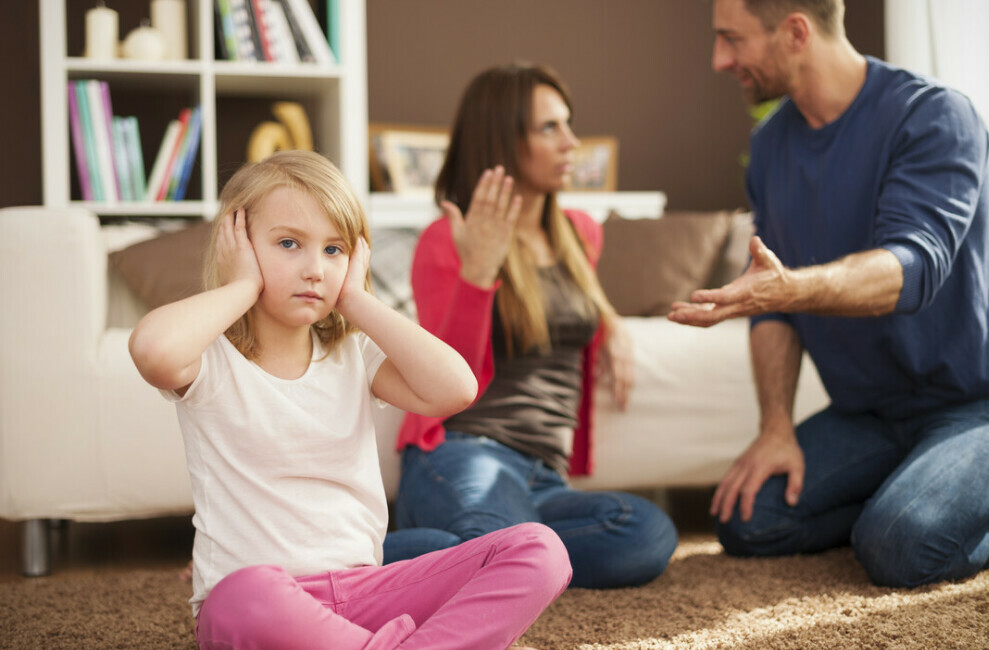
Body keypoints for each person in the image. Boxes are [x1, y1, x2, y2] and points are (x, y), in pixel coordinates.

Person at [129, 150, 571, 649]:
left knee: (541, 548)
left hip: (365, 591)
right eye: (289, 243)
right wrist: (243, 285)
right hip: (263, 602)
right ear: (239, 244)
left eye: (334, 250)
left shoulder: (354, 353)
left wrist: (358, 299)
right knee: (242, 594)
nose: (315, 269)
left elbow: (457, 389)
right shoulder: (211, 359)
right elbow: (152, 350)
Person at [669, 0, 989, 588]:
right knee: (747, 521)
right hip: (867, 415)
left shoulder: (934, 115)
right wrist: (775, 428)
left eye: (732, 40)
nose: (720, 60)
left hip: (972, 406)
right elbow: (771, 305)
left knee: (900, 548)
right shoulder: (769, 146)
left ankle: (915, 507)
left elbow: (911, 269)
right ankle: (914, 494)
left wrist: (790, 288)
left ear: (795, 32)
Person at [385, 63, 678, 589]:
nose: (571, 142)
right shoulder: (445, 241)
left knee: (646, 534)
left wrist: (612, 321)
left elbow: (571, 307)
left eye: (568, 124)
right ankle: (328, 555)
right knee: (502, 543)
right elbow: (447, 379)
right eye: (550, 128)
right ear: (503, 140)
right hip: (463, 451)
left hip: (545, 476)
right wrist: (479, 272)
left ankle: (492, 554)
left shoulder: (579, 234)